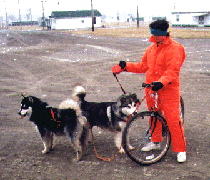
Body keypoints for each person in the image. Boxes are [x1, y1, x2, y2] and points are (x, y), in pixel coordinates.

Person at [112, 19, 186, 163]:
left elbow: (173, 71)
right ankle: (155, 141)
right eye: (153, 34)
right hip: (152, 88)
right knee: (154, 116)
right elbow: (143, 66)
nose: (155, 37)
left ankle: (180, 149)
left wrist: (162, 82)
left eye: (158, 35)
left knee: (173, 120)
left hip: (169, 89)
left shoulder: (175, 48)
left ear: (165, 32)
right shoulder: (151, 49)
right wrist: (125, 66)